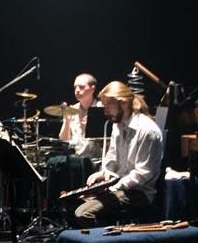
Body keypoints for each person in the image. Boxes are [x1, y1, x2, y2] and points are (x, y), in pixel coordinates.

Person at [62, 80, 163, 228]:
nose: (105, 112)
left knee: (83, 213)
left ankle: (106, 239)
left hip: (139, 192)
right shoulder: (118, 125)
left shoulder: (147, 131)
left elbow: (143, 174)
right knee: (69, 205)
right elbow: (112, 156)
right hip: (120, 186)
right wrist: (103, 173)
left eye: (107, 106)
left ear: (123, 103)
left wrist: (113, 187)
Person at [58, 73, 103, 160]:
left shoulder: (101, 108)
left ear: (92, 89)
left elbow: (107, 139)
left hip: (96, 160)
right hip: (76, 158)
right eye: (75, 87)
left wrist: (92, 125)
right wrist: (67, 122)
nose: (77, 90)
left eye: (81, 87)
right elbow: (64, 140)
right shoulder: (72, 109)